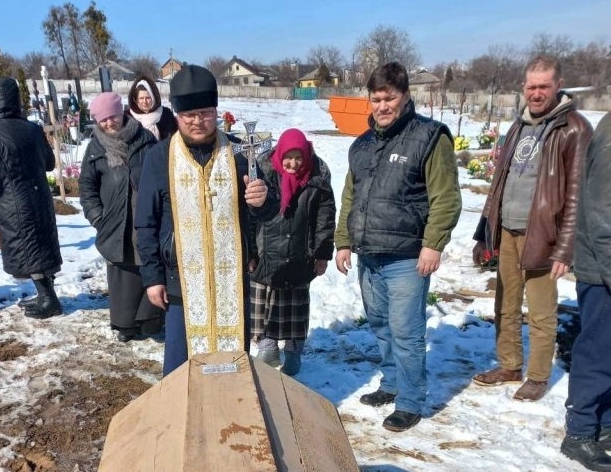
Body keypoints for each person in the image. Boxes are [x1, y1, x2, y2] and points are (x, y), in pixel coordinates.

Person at [335, 62, 461, 432]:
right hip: (369, 254)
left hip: (407, 256)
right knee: (381, 325)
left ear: (405, 96)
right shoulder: (362, 145)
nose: (382, 105)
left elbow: (446, 198)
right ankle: (391, 383)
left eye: (389, 97)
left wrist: (433, 244)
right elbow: (350, 197)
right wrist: (344, 241)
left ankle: (410, 399)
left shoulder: (429, 136)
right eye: (376, 98)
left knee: (406, 330)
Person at [135, 64, 278, 376]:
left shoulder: (240, 152)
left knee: (230, 369)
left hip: (231, 282)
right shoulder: (160, 157)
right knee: (180, 369)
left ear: (216, 111)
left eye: (205, 113)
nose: (198, 121)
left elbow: (268, 210)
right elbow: (145, 221)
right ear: (177, 115)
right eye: (189, 115)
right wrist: (152, 277)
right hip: (180, 280)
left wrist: (263, 200)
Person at [472, 56, 593, 402]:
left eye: (543, 86)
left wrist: (565, 247)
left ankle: (538, 375)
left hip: (543, 234)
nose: (536, 93)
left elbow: (576, 194)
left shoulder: (574, 128)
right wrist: (485, 230)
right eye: (531, 86)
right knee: (505, 303)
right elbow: (500, 182)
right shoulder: (518, 126)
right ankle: (509, 364)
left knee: (541, 310)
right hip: (507, 229)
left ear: (558, 85)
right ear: (524, 87)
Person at [0, 77, 63, 319]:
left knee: (30, 250)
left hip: (12, 201)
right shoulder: (32, 129)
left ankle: (49, 299)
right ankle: (46, 295)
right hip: (39, 197)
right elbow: (50, 163)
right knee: (41, 245)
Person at [79, 92, 163, 341]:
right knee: (123, 274)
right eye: (103, 120)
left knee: (147, 265)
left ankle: (151, 319)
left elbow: (160, 174)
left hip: (146, 217)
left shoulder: (145, 139)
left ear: (122, 113)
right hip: (114, 222)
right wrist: (97, 217)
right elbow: (87, 186)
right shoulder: (96, 147)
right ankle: (125, 324)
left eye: (112, 117)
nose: (109, 123)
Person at [251, 128, 335, 376]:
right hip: (266, 252)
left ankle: (293, 350)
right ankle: (267, 346)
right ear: (279, 154)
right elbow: (249, 216)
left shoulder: (316, 179)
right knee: (264, 306)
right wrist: (250, 254)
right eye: (288, 157)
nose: (293, 163)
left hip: (300, 254)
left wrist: (321, 254)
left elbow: (325, 219)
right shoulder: (263, 174)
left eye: (299, 158)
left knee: (295, 309)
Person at [561, 112, 611, 472]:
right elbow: (602, 215)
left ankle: (604, 426)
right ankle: (579, 433)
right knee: (597, 349)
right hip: (602, 268)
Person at [126, 75, 178, 141]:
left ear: (153, 98)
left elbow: (175, 137)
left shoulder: (165, 114)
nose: (144, 102)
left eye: (148, 98)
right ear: (136, 100)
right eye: (141, 98)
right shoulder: (128, 117)